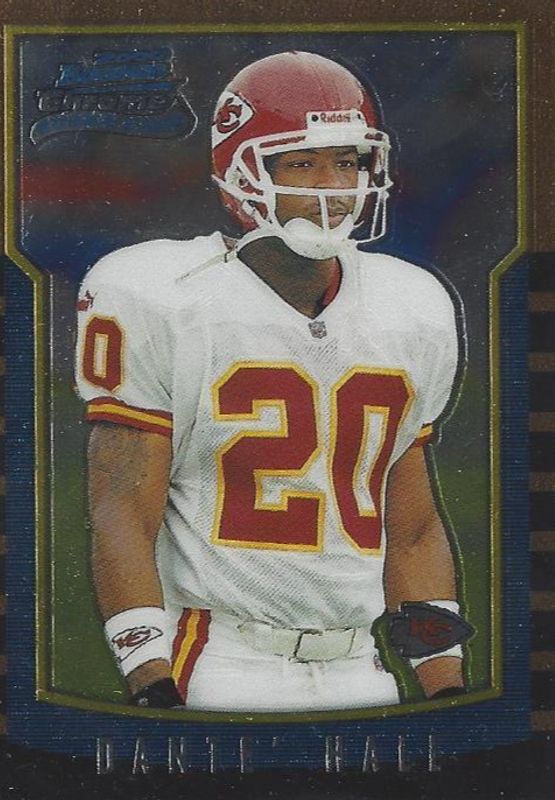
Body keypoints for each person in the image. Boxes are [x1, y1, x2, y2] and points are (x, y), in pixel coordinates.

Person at [74, 51, 471, 712]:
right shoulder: (161, 294)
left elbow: (412, 527)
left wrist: (443, 681)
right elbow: (121, 506)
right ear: (241, 173)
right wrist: (149, 674)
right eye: (301, 163)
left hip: (362, 667)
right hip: (219, 661)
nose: (332, 187)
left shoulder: (411, 305)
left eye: (347, 162)